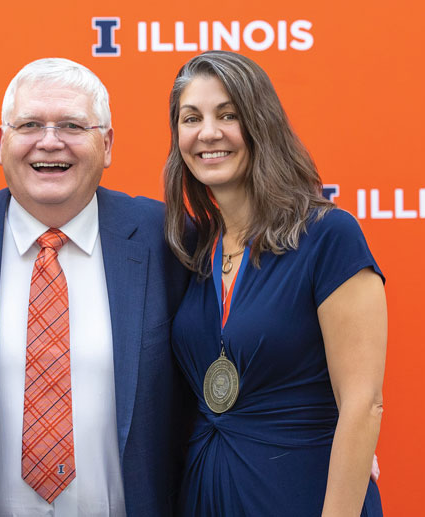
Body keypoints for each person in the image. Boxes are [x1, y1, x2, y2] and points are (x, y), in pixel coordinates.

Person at [0, 58, 191, 515]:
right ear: (1, 142)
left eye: (73, 125)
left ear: (107, 144)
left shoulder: (168, 241)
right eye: (30, 124)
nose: (50, 141)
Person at [163, 50, 386, 516]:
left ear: (261, 123)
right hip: (205, 495)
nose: (208, 133)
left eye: (228, 115)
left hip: (299, 493)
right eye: (191, 117)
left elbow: (362, 403)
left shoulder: (328, 236)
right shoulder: (193, 249)